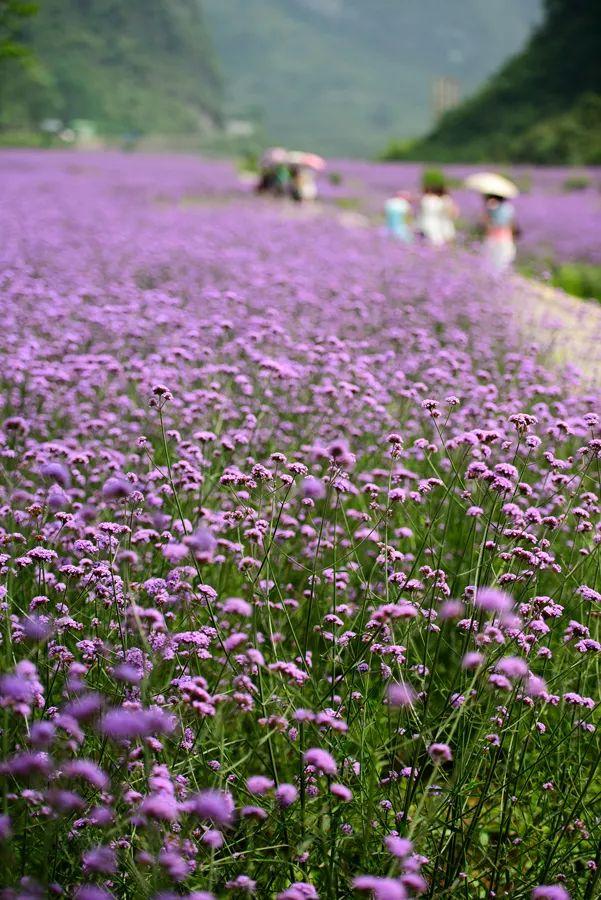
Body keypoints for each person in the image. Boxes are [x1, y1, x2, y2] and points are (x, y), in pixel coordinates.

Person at [417, 171, 458, 246]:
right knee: (440, 242)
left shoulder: (426, 198)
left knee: (430, 242)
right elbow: (452, 213)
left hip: (426, 221)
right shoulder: (443, 199)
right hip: (439, 222)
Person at [482, 194, 518, 270]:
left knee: (490, 258)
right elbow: (511, 223)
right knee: (503, 259)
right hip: (506, 237)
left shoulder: (491, 207)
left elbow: (487, 223)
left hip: (493, 236)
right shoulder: (509, 208)